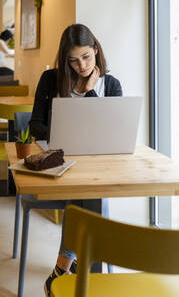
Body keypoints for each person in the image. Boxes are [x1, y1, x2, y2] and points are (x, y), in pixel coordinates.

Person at [28, 24, 122, 296]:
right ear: (65, 60)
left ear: (95, 50)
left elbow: (113, 132)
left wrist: (91, 90)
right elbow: (36, 126)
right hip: (61, 164)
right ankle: (86, 272)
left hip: (98, 166)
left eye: (86, 57)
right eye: (73, 60)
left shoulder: (111, 85)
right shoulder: (51, 80)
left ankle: (61, 270)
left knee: (84, 195)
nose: (81, 66)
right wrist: (64, 134)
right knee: (86, 195)